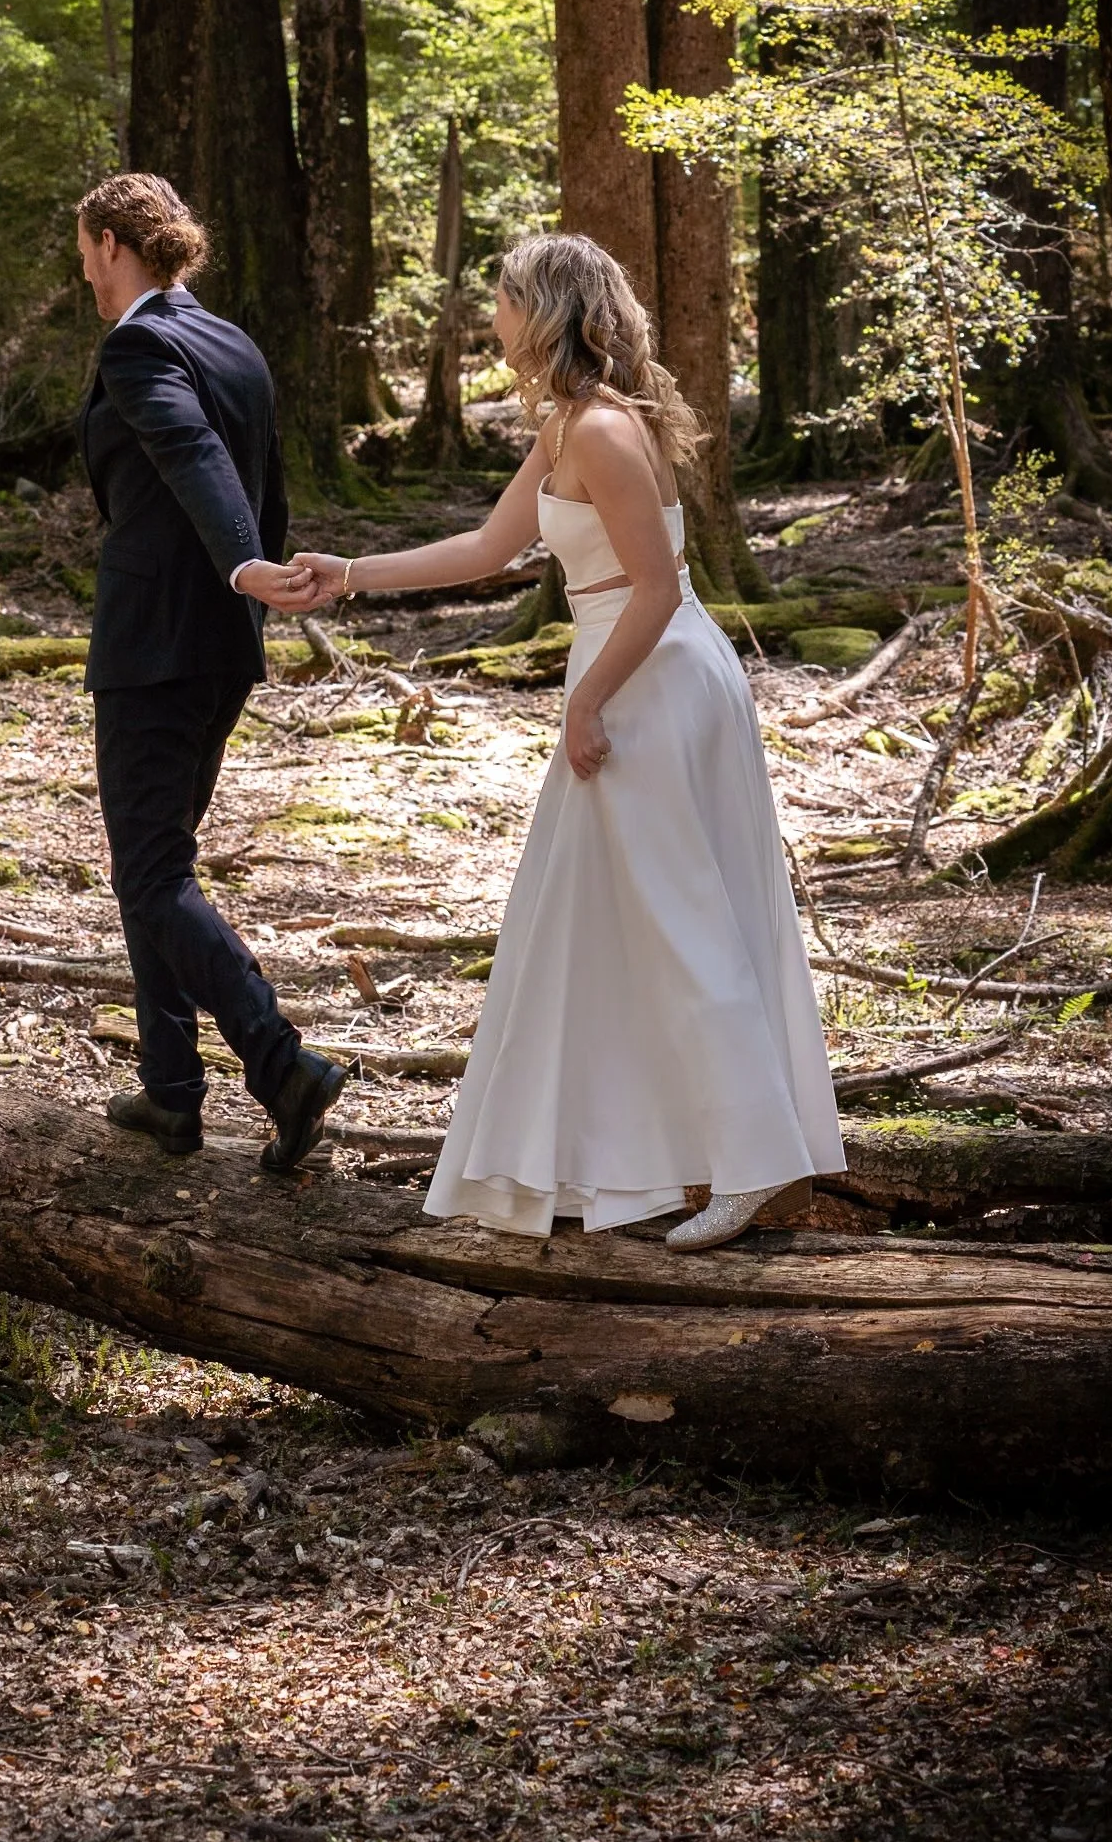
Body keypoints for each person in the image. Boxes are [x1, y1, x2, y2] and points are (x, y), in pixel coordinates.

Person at [292, 231, 845, 1252]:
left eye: (500, 296)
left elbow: (660, 587)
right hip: (630, 667)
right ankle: (624, 1157)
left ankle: (752, 1162)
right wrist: (351, 574)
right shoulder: (564, 424)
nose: (490, 313)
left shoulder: (599, 429)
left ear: (540, 311)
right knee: (604, 925)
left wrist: (587, 700)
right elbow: (490, 548)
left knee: (683, 920)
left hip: (653, 679)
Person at [75, 172, 349, 1173]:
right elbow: (259, 479)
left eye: (87, 252)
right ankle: (172, 1092)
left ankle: (278, 1062)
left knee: (150, 871)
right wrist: (253, 587)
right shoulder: (232, 341)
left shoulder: (141, 342)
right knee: (158, 868)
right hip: (220, 648)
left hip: (153, 647)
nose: (86, 274)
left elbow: (197, 456)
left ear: (114, 242)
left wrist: (243, 564)